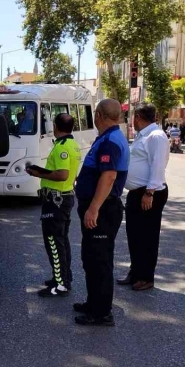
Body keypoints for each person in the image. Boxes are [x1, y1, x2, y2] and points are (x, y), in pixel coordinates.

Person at [73, 99, 129, 327]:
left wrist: (93, 208)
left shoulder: (111, 141)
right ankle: (93, 302)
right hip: (100, 208)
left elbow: (109, 177)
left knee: (100, 261)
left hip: (103, 210)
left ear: (98, 115)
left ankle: (101, 313)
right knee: (91, 258)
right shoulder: (109, 138)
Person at [26, 113, 80, 297]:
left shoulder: (62, 147)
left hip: (56, 201)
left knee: (54, 242)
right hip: (62, 198)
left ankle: (61, 284)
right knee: (61, 241)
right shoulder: (72, 144)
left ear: (55, 126)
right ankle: (63, 277)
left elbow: (62, 174)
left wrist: (38, 174)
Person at [118, 104, 170, 292]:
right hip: (136, 193)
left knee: (147, 237)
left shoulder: (156, 136)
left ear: (138, 116)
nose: (132, 121)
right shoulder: (143, 135)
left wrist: (149, 193)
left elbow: (158, 166)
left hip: (150, 193)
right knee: (134, 236)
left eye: (133, 117)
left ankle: (146, 277)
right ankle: (135, 272)